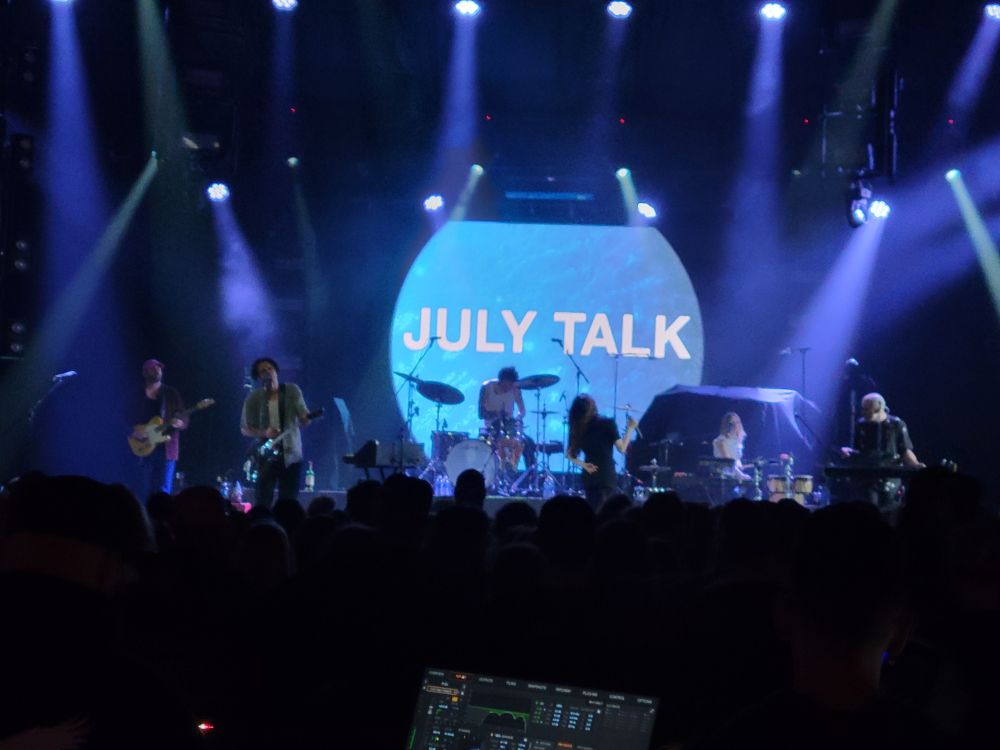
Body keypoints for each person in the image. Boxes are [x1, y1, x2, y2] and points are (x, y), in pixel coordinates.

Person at [241, 357, 312, 508]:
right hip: (266, 456)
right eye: (263, 371)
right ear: (258, 377)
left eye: (270, 368)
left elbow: (304, 415)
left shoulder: (292, 390)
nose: (267, 372)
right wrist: (264, 433)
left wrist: (306, 419)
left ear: (276, 371)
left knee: (288, 502)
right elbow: (245, 429)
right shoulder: (253, 398)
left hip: (291, 454)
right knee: (263, 501)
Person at [840, 393, 925, 509]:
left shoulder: (896, 424)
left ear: (878, 408)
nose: (863, 412)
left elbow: (905, 451)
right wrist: (849, 452)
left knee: (891, 513)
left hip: (891, 480)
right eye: (862, 409)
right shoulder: (861, 425)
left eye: (866, 409)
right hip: (867, 479)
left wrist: (916, 465)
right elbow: (858, 451)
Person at [126, 358, 187, 501]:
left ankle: (161, 521)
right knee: (142, 490)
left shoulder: (171, 394)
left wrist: (181, 422)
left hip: (166, 449)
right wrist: (132, 431)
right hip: (143, 448)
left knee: (164, 491)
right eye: (153, 369)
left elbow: (183, 417)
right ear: (145, 372)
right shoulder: (136, 394)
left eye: (159, 369)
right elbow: (122, 418)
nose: (157, 371)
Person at [566, 394, 637, 509]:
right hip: (606, 476)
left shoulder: (578, 426)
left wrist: (584, 465)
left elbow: (570, 454)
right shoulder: (607, 423)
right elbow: (622, 448)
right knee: (604, 514)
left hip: (589, 477)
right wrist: (630, 428)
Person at [479, 367, 529, 471]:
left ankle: (529, 477)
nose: (509, 388)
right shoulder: (486, 387)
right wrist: (495, 414)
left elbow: (522, 410)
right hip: (491, 428)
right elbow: (480, 413)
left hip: (509, 427)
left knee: (528, 444)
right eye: (507, 385)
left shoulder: (515, 388)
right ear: (501, 381)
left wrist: (518, 419)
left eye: (511, 385)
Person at [712, 412, 752, 481]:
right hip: (724, 477)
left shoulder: (737, 441)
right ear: (727, 425)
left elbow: (737, 462)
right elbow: (728, 462)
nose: (737, 425)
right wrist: (741, 475)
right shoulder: (720, 441)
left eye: (738, 422)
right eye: (733, 423)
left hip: (734, 475)